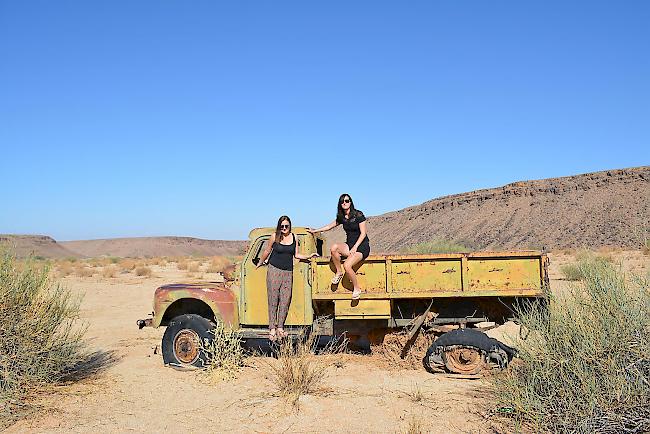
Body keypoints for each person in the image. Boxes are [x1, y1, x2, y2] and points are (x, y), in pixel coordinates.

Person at [257, 216, 317, 341]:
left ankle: (280, 327)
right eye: (282, 226)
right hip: (274, 270)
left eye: (286, 226)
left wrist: (309, 256)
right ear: (279, 226)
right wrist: (260, 262)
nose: (284, 228)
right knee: (273, 299)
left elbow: (296, 255)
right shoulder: (274, 236)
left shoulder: (294, 237)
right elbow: (267, 251)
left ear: (290, 226)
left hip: (288, 272)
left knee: (285, 300)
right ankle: (272, 328)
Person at [308, 193, 370, 300]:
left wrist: (355, 247)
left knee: (347, 265)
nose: (345, 203)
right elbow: (329, 226)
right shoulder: (342, 217)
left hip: (361, 246)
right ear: (340, 204)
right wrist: (315, 230)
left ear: (350, 202)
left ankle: (357, 288)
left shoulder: (358, 215)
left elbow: (363, 233)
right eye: (342, 201)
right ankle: (339, 272)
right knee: (334, 248)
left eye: (347, 201)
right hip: (349, 245)